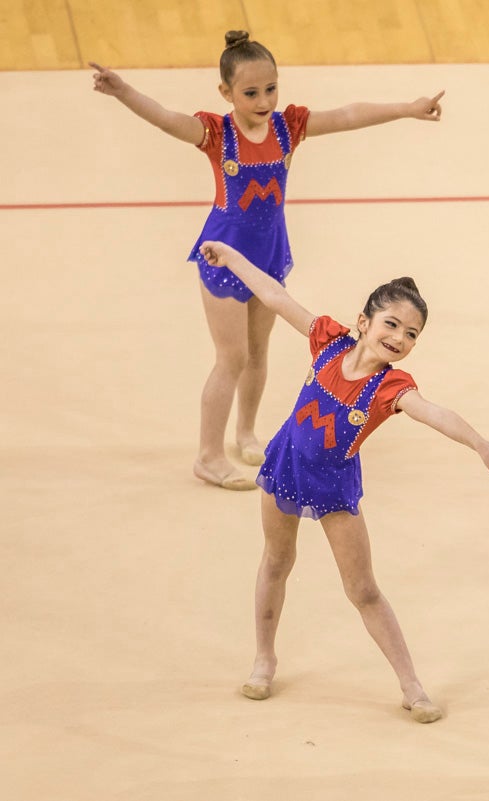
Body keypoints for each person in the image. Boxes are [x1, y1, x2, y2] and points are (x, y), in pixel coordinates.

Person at [90, 30, 445, 489]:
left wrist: (407, 108)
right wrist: (122, 91)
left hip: (270, 254)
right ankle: (208, 455)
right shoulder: (217, 134)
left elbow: (348, 115)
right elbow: (166, 119)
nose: (264, 101)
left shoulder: (287, 127)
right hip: (224, 254)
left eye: (271, 89)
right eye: (251, 93)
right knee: (232, 357)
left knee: (258, 355)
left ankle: (244, 433)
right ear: (226, 92)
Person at [197, 239, 489, 724]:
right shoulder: (328, 341)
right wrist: (233, 258)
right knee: (276, 561)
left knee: (363, 589)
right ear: (363, 322)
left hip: (333, 486)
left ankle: (411, 686)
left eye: (411, 334)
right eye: (392, 324)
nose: (400, 338)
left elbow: (434, 413)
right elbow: (277, 298)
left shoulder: (390, 387)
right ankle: (264, 660)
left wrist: (481, 445)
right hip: (285, 467)